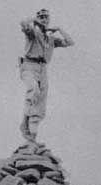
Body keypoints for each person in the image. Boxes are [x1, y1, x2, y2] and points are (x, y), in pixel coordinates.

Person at [19, 9, 74, 142]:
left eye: (46, 17)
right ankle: (25, 122)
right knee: (34, 90)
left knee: (41, 103)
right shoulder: (33, 32)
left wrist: (59, 29)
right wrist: (34, 20)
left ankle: (32, 135)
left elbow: (70, 42)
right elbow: (23, 22)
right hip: (29, 66)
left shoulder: (50, 39)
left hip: (43, 69)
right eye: (41, 17)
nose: (44, 19)